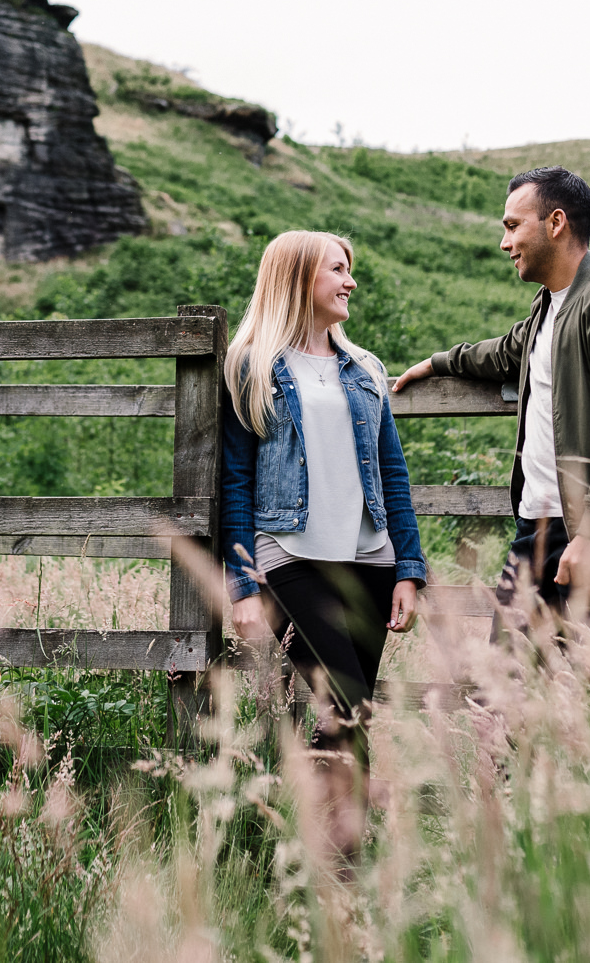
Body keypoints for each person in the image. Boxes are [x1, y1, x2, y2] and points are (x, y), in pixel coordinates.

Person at [393, 167, 590, 644]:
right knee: (505, 693)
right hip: (534, 530)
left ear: (555, 222)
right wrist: (437, 364)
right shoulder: (549, 307)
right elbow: (503, 352)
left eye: (513, 225)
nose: (505, 242)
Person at [220, 230, 426, 850]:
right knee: (342, 694)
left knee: (351, 710)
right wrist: (241, 586)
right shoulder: (253, 365)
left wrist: (409, 569)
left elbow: (392, 473)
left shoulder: (366, 371)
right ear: (297, 278)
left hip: (370, 559)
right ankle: (337, 855)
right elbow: (234, 481)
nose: (350, 282)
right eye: (338, 270)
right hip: (291, 556)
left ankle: (333, 857)